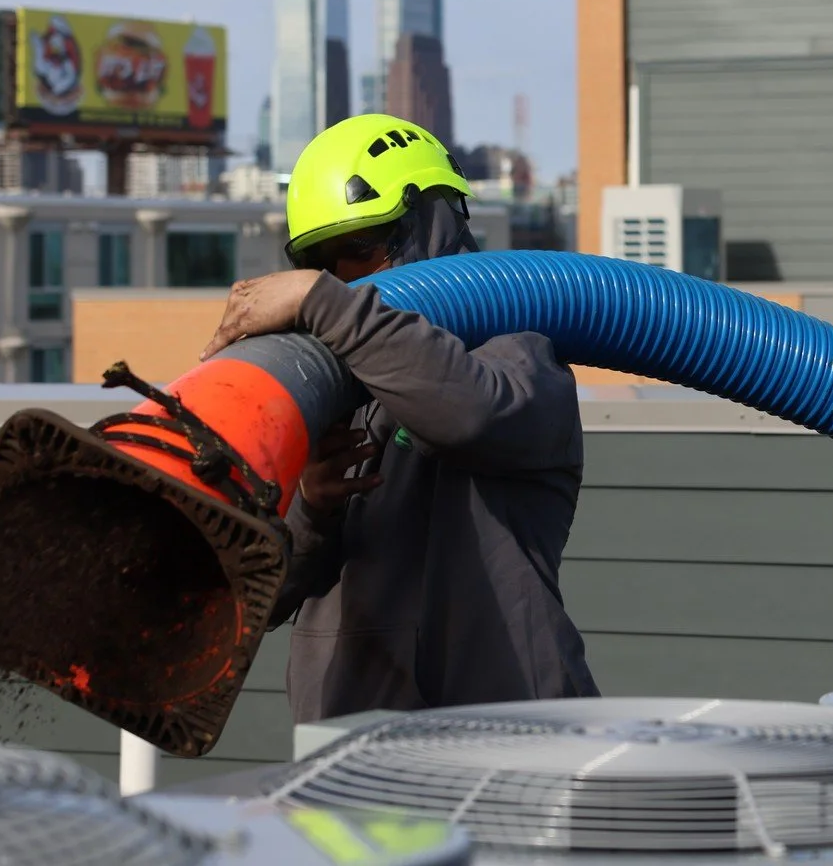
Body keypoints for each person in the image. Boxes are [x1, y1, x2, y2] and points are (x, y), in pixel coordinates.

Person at [202, 114, 598, 720]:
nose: (348, 279)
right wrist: (314, 506)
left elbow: (468, 412)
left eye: (362, 248)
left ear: (431, 223)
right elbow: (258, 595)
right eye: (326, 263)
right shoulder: (333, 379)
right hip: (350, 747)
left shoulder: (524, 357)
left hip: (506, 738)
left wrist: (321, 301)